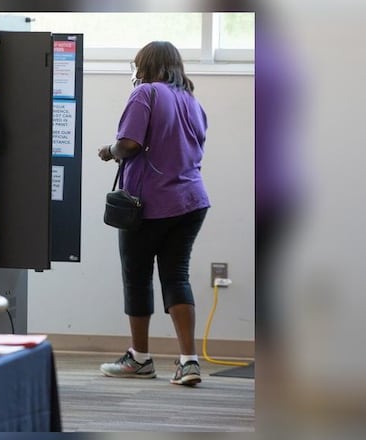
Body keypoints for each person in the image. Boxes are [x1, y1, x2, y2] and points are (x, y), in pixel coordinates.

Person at [97, 41, 210, 386]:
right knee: (177, 277)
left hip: (149, 205)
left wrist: (109, 151)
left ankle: (140, 359)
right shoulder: (191, 100)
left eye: (136, 64)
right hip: (191, 201)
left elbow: (129, 144)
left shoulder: (145, 93)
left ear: (146, 65)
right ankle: (189, 362)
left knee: (137, 276)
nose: (135, 71)